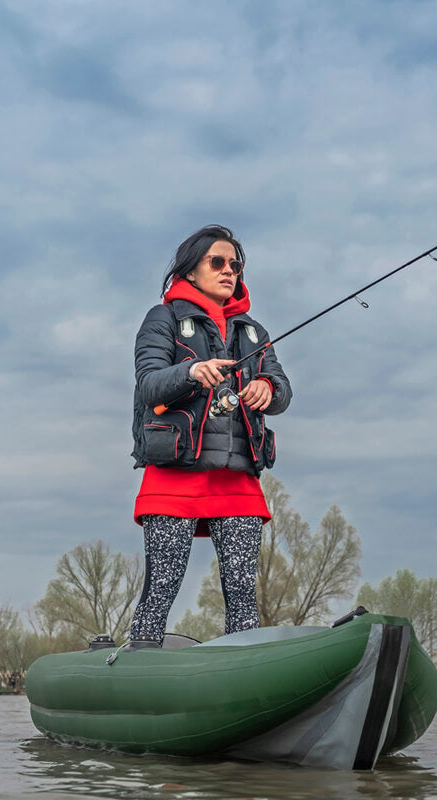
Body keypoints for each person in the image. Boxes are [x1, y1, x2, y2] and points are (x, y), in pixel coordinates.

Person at [127, 224, 292, 647]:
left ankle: (244, 669)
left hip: (237, 478)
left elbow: (282, 390)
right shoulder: (162, 319)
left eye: (234, 265)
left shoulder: (253, 331)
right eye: (217, 262)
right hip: (173, 476)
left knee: (242, 593)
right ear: (191, 269)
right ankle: (141, 662)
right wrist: (190, 371)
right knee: (160, 587)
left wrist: (267, 389)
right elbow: (148, 383)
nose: (228, 271)